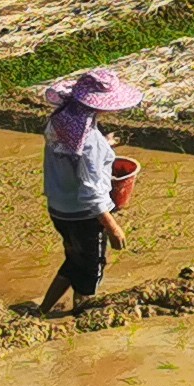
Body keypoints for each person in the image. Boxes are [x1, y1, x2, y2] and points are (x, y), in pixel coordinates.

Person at [36, 69, 139, 317]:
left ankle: (42, 311)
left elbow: (73, 151)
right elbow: (91, 190)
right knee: (91, 269)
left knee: (75, 260)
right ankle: (80, 319)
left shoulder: (61, 120)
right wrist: (113, 227)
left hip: (59, 209)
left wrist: (105, 143)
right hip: (84, 216)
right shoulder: (89, 140)